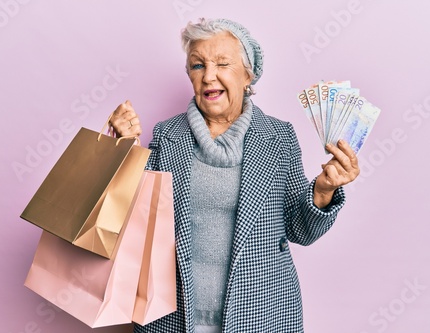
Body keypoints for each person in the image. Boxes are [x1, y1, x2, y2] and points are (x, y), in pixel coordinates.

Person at [110, 18, 360, 333]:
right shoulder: (166, 134)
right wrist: (123, 149)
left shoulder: (279, 138)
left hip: (262, 317)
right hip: (172, 317)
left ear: (248, 75)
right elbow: (135, 222)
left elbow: (301, 231)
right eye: (197, 65)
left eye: (222, 64)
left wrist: (323, 191)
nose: (208, 76)